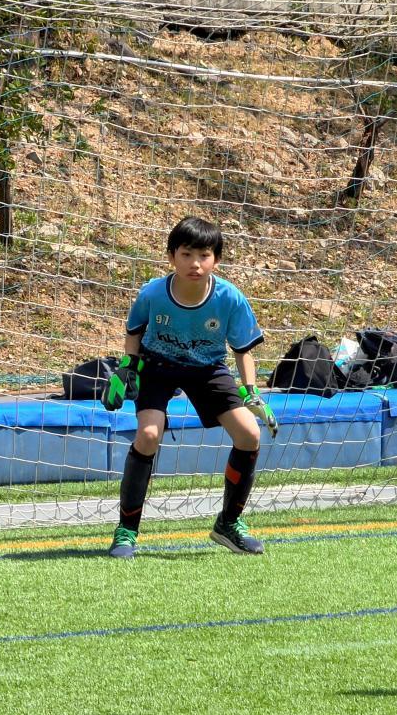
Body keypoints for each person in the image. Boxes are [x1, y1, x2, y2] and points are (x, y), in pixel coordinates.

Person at [102, 216, 278, 558]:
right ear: (171, 256)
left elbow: (242, 350)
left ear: (216, 260)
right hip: (158, 366)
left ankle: (228, 524)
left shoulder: (230, 298)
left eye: (204, 255)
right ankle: (126, 531)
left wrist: (251, 390)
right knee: (148, 435)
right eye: (186, 254)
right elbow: (134, 333)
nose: (195, 263)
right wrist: (127, 368)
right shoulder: (153, 293)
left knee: (249, 434)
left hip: (207, 368)